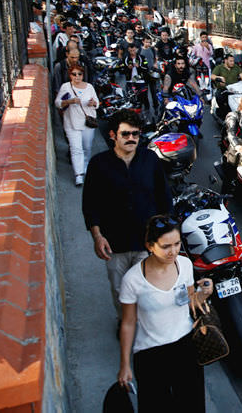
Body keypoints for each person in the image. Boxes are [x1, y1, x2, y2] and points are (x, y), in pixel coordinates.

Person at [82, 109, 173, 323]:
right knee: (121, 291)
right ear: (113, 135)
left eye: (135, 134)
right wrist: (97, 237)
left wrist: (166, 234)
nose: (131, 138)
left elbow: (164, 197)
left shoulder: (150, 159)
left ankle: (149, 327)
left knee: (149, 291)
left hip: (147, 243)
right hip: (115, 245)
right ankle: (126, 324)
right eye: (125, 134)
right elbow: (90, 204)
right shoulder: (99, 164)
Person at [117, 215, 213, 412]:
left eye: (177, 244)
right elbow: (128, 323)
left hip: (186, 347)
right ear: (150, 246)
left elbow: (189, 303)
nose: (173, 251)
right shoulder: (132, 280)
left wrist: (204, 294)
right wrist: (125, 364)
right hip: (151, 355)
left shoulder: (185, 265)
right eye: (166, 246)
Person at [54, 64, 98, 186]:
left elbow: (97, 102)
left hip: (87, 122)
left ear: (83, 75)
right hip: (71, 122)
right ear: (70, 75)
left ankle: (85, 165)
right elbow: (58, 103)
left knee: (87, 147)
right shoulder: (66, 87)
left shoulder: (89, 87)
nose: (77, 76)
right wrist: (70, 101)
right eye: (74, 74)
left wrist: (93, 103)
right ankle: (78, 174)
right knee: (76, 149)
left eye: (79, 74)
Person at [211, 51, 242, 120]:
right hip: (223, 89)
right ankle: (224, 115)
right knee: (219, 96)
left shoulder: (236, 67)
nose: (232, 63)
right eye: (230, 61)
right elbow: (212, 76)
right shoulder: (219, 67)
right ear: (225, 61)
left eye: (233, 61)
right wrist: (218, 78)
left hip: (235, 90)